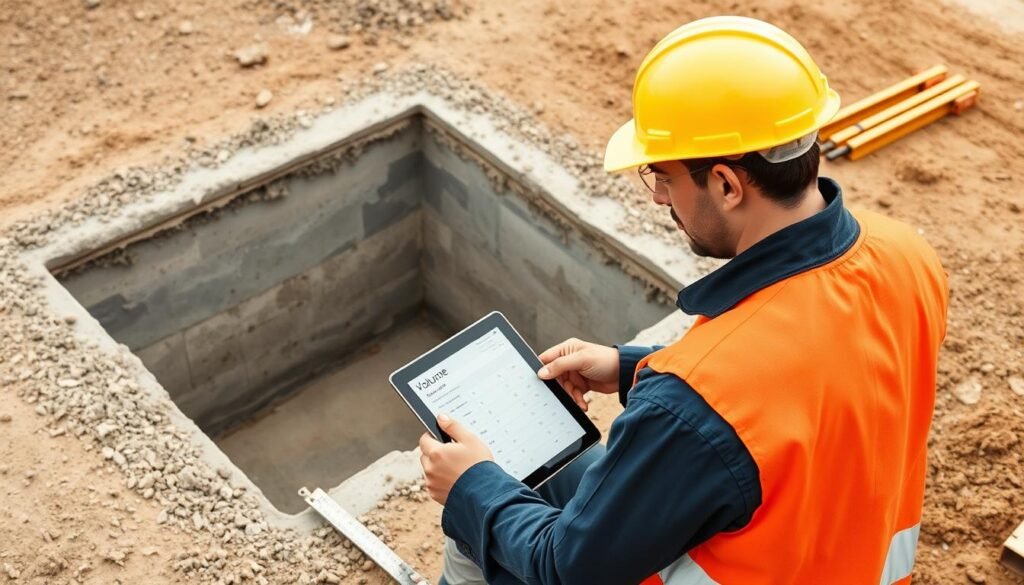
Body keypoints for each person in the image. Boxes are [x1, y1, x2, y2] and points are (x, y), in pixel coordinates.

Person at [418, 15, 948, 585]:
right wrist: (633, 369)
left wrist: (470, 486)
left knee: (478, 523)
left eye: (663, 176)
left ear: (726, 183)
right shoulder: (904, 255)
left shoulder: (696, 403)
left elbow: (564, 568)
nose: (659, 198)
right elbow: (801, 393)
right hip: (844, 559)